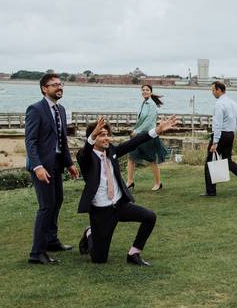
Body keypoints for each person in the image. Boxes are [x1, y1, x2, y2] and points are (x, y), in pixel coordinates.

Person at [76, 114, 179, 266]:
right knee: (99, 259)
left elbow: (134, 142)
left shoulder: (112, 151)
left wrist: (156, 130)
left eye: (107, 135)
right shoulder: (86, 157)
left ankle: (134, 253)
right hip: (101, 212)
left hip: (119, 205)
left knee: (149, 217)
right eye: (101, 135)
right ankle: (90, 232)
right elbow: (84, 153)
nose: (106, 138)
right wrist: (91, 136)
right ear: (93, 138)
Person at [24, 73, 79, 265]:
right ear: (44, 89)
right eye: (54, 85)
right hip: (42, 166)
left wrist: (69, 163)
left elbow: (62, 140)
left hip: (56, 163)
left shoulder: (61, 110)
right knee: (46, 206)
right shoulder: (35, 109)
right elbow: (30, 141)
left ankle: (51, 241)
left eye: (60, 84)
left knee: (57, 201)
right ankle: (36, 253)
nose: (59, 87)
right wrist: (37, 166)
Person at [201, 81, 237, 197]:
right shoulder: (233, 103)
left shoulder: (219, 104)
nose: (212, 93)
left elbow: (217, 124)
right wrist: (233, 134)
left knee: (209, 162)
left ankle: (211, 191)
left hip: (220, 135)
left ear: (219, 90)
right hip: (230, 134)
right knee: (227, 161)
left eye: (213, 90)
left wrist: (215, 142)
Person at [126, 84, 169, 191]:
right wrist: (135, 130)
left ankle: (158, 183)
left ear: (150, 92)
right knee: (131, 157)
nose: (144, 91)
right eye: (143, 90)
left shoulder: (152, 104)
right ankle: (130, 182)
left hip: (149, 135)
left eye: (147, 90)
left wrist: (137, 131)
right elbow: (141, 121)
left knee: (152, 160)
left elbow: (149, 121)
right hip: (139, 135)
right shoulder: (144, 103)